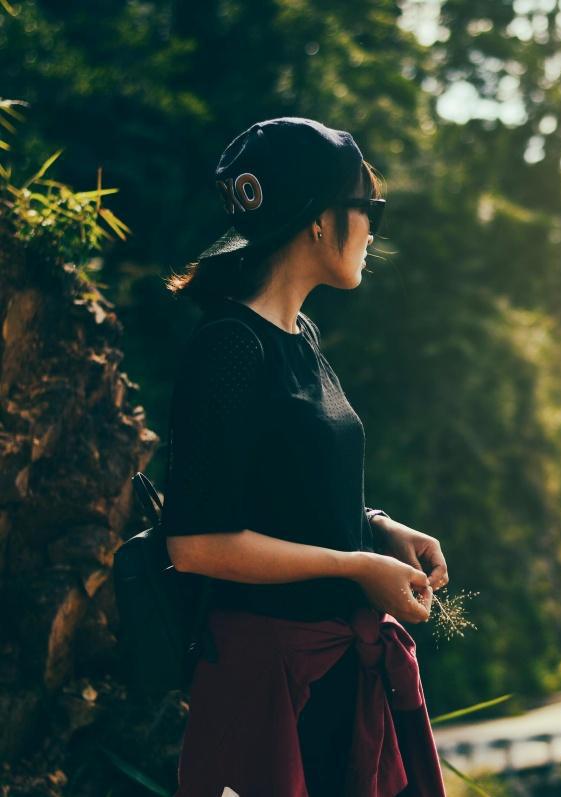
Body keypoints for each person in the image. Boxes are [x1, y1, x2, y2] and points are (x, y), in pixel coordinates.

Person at [160, 117, 449, 796]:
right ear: (320, 220)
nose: (372, 230)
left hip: (329, 679)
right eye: (368, 209)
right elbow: (196, 543)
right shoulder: (230, 347)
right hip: (271, 689)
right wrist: (356, 565)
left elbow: (289, 491)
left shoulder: (300, 335)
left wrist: (377, 528)